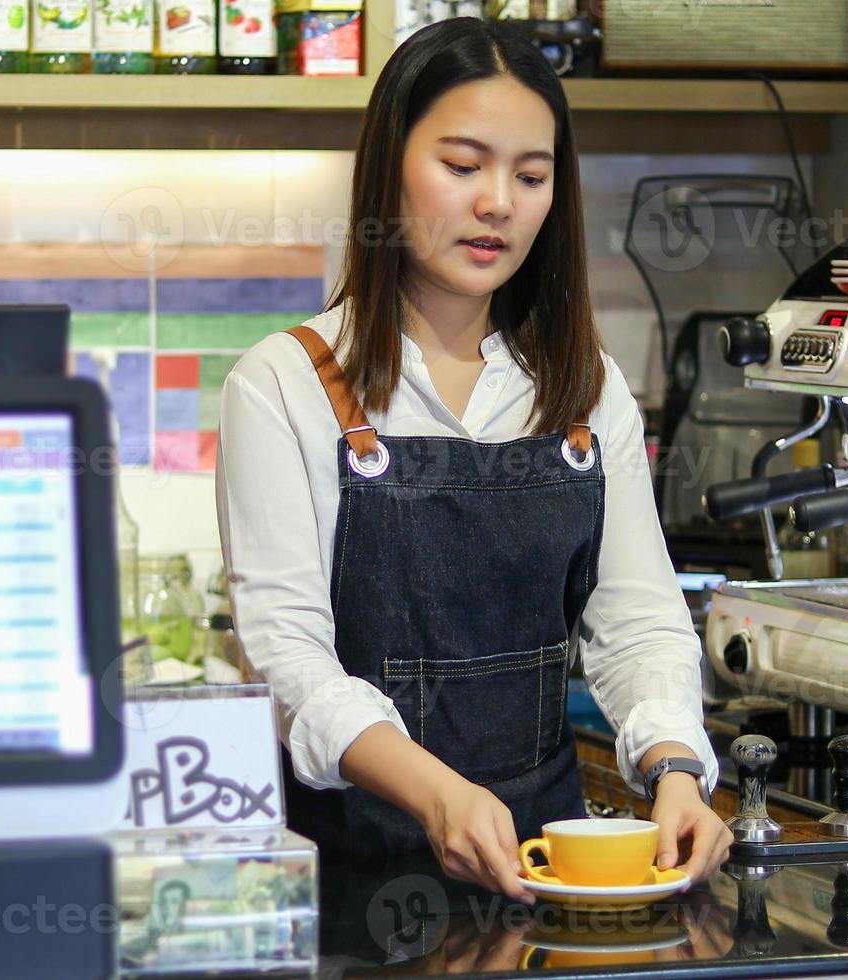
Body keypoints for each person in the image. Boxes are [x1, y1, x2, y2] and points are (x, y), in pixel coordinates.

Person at [216, 16, 731, 902]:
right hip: (353, 881)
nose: (498, 201)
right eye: (462, 167)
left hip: (547, 872)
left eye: (531, 176)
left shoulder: (581, 387)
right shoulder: (286, 382)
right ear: (388, 167)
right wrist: (436, 795)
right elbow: (287, 659)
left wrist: (676, 771)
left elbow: (640, 621)